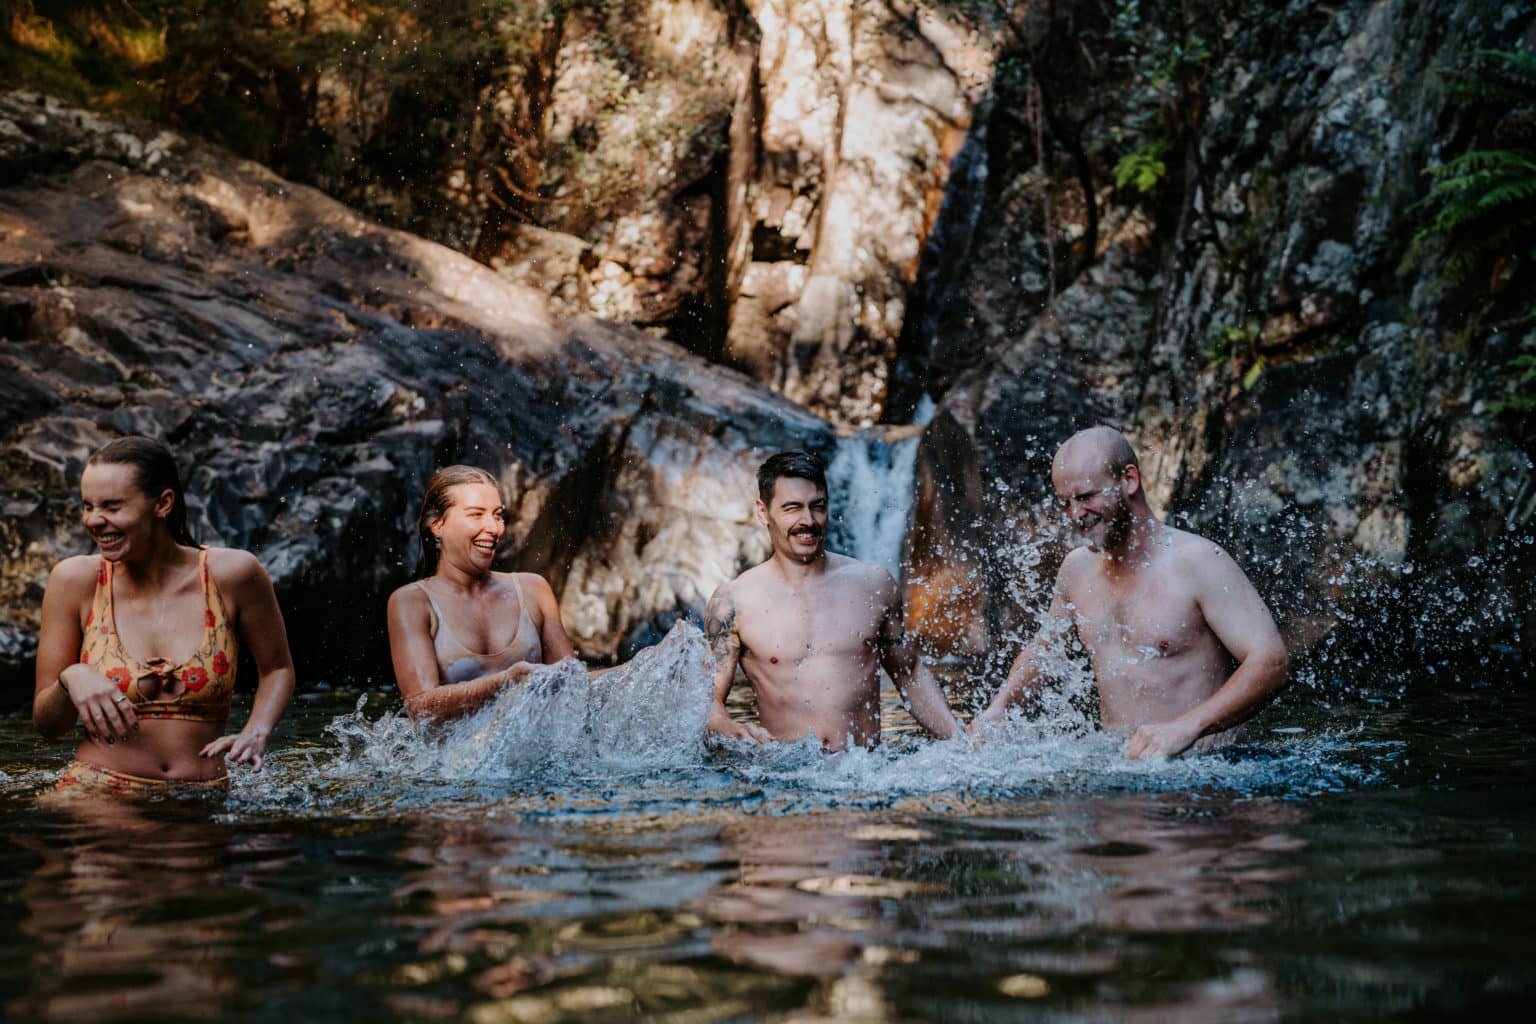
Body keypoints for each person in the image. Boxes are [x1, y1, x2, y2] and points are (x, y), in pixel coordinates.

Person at [969, 426, 1289, 759]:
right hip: (1120, 770)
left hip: (1207, 773)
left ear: (1129, 480)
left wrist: (1187, 727)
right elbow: (1046, 652)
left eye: (1085, 497)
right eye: (1065, 503)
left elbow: (1272, 662)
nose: (1075, 515)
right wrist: (999, 709)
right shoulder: (1076, 571)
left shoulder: (1199, 562)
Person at [32, 436, 296, 796]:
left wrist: (256, 731)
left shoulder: (233, 575)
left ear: (163, 503)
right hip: (99, 790)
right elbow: (47, 726)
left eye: (111, 506)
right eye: (87, 506)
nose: (93, 520)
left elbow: (277, 669)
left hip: (204, 794)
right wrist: (71, 678)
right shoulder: (75, 581)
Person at [703, 450, 960, 750]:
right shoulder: (734, 601)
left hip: (865, 775)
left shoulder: (873, 584)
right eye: (792, 508)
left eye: (817, 507)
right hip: (785, 779)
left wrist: (960, 741)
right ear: (763, 512)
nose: (807, 520)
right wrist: (728, 726)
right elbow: (707, 702)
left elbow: (909, 674)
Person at [387, 465, 579, 722]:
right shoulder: (413, 602)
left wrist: (642, 668)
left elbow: (573, 685)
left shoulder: (533, 589)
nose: (493, 527)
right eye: (476, 515)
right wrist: (506, 681)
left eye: (497, 515)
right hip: (451, 761)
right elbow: (420, 706)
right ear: (438, 525)